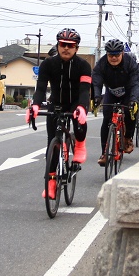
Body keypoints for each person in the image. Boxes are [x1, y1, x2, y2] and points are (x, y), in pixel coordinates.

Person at [27, 28, 91, 197]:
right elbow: (40, 88)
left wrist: (82, 108)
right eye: (63, 44)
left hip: (77, 102)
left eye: (70, 45)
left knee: (79, 122)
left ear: (76, 48)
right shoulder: (48, 64)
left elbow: (85, 91)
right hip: (56, 103)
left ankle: (79, 145)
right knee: (52, 144)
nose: (66, 48)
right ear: (58, 45)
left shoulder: (83, 66)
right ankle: (51, 181)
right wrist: (35, 105)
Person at [92, 38, 139, 164]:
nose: (113, 58)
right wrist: (96, 97)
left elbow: (136, 83)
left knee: (131, 112)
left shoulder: (130, 63)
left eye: (117, 55)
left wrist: (134, 100)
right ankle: (104, 153)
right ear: (106, 54)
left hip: (128, 92)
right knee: (106, 118)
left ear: (122, 53)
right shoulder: (102, 63)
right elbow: (96, 81)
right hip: (111, 92)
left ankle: (128, 137)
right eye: (110, 55)